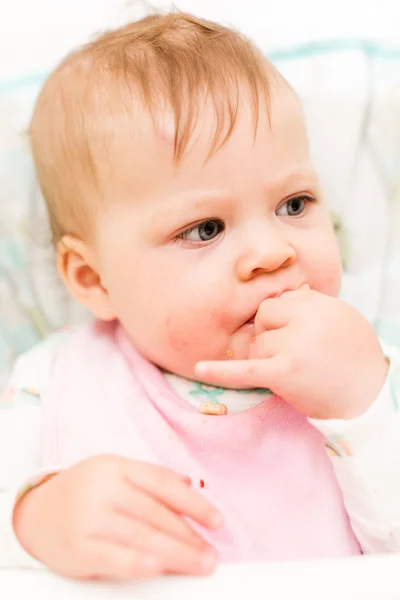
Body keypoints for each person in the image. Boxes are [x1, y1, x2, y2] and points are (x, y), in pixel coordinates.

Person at [1, 10, 400, 582]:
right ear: (92, 280)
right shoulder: (55, 382)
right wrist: (34, 518)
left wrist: (362, 408)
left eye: (295, 204)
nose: (273, 251)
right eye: (206, 228)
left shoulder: (367, 371)